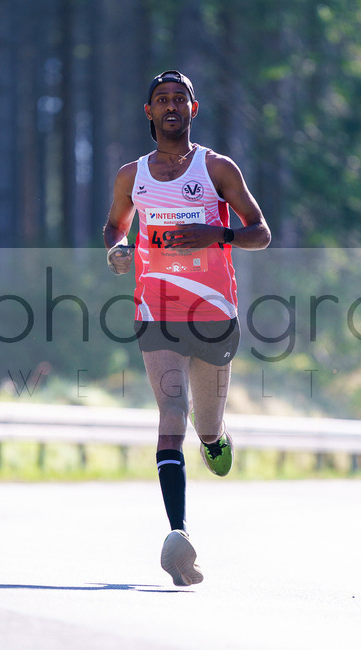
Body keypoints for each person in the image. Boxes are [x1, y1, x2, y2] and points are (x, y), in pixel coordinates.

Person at [102, 70, 270, 586]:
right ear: (148, 112)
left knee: (206, 426)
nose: (171, 106)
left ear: (193, 110)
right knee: (171, 410)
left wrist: (215, 233)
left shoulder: (216, 168)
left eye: (180, 99)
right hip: (156, 309)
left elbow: (260, 233)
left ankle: (216, 438)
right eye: (161, 100)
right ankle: (179, 537)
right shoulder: (132, 176)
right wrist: (117, 248)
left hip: (215, 313)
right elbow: (116, 223)